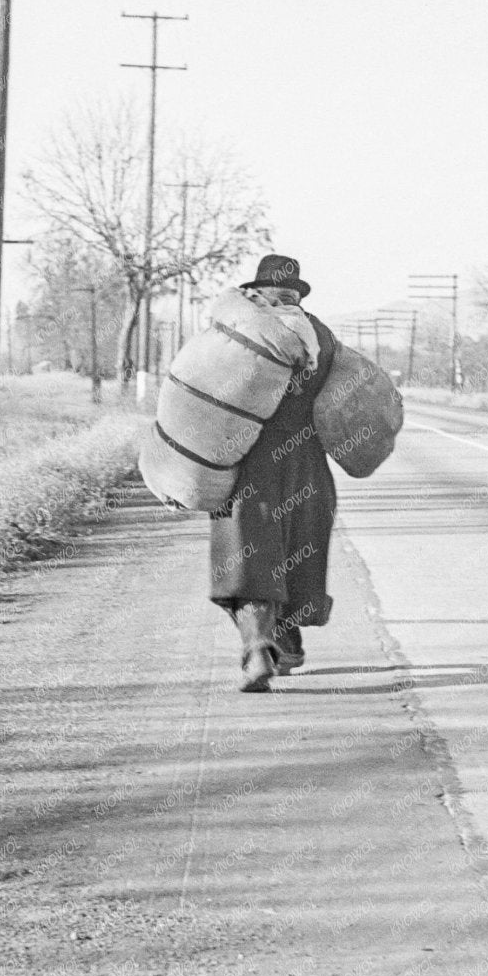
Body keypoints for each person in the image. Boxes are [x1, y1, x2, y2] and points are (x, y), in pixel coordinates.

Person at [209, 254, 339, 692]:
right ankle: (285, 641)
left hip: (249, 461)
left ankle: (258, 647)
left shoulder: (238, 330)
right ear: (295, 295)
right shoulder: (321, 335)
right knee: (298, 555)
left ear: (257, 293)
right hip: (308, 465)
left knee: (248, 556)